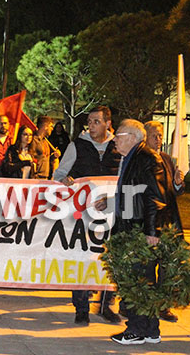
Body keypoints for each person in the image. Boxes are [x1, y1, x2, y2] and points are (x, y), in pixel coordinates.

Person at [53, 105, 122, 325]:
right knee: (82, 258)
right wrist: (64, 181)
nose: (91, 126)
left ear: (108, 124)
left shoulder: (118, 147)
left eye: (96, 122)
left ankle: (105, 305)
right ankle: (81, 307)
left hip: (111, 215)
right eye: (89, 122)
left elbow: (125, 180)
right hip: (83, 216)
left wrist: (113, 200)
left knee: (110, 259)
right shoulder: (77, 146)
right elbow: (58, 175)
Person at [110, 119, 167, 345]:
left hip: (140, 230)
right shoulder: (131, 158)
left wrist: (152, 231)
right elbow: (133, 194)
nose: (114, 139)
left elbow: (155, 197)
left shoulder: (145, 158)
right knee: (144, 281)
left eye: (118, 135)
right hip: (131, 227)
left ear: (133, 138)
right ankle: (151, 330)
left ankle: (136, 330)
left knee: (137, 282)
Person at [144, 120, 185, 322]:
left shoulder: (167, 159)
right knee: (147, 266)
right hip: (149, 221)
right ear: (145, 137)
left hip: (168, 221)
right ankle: (144, 305)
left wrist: (177, 184)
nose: (158, 139)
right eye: (154, 135)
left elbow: (174, 192)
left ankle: (163, 306)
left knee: (167, 266)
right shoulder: (141, 160)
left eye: (160, 135)